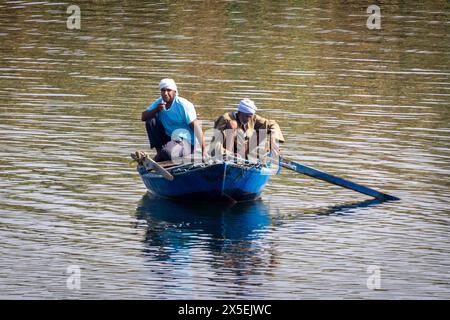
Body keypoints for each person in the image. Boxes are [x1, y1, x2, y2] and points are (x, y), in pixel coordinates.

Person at [141, 78, 206, 162]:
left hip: (186, 141)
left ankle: (165, 154)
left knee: (167, 153)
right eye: (163, 90)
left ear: (175, 92)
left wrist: (204, 150)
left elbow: (196, 127)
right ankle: (159, 153)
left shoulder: (183, 105)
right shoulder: (159, 103)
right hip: (170, 138)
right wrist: (156, 109)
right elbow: (143, 117)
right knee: (150, 120)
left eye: (169, 90)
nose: (165, 93)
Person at [211, 98, 285, 160]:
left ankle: (268, 152)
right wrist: (229, 154)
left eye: (250, 116)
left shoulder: (253, 118)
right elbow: (216, 144)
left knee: (263, 131)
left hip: (243, 151)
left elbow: (273, 124)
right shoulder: (225, 119)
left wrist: (273, 140)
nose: (248, 119)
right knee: (232, 124)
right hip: (225, 152)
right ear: (239, 112)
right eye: (246, 116)